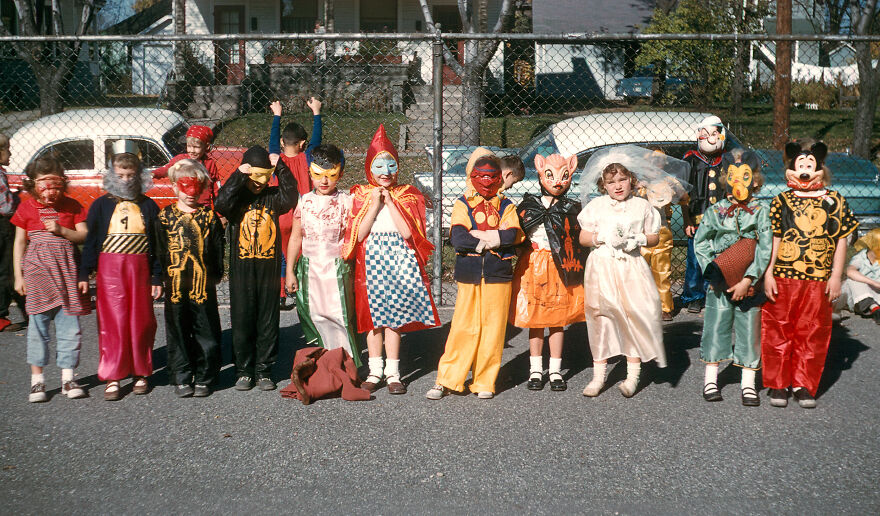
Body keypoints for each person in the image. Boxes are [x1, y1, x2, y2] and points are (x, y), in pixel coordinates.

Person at [343, 125, 439, 395]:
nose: (385, 172)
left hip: (398, 260)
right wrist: (375, 203)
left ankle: (393, 372)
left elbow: (408, 232)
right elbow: (359, 234)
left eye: (391, 165)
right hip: (371, 261)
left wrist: (390, 201)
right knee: (374, 318)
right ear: (368, 169)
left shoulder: (407, 194)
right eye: (379, 166)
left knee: (394, 316)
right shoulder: (360, 195)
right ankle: (375, 371)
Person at [762, 141, 858, 409]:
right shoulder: (781, 200)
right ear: (791, 168)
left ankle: (803, 383)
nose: (805, 172)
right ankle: (778, 384)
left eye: (810, 166)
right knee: (778, 328)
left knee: (812, 330)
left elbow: (841, 240)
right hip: (784, 275)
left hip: (818, 278)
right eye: (800, 166)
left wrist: (836, 276)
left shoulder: (834, 200)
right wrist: (768, 273)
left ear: (820, 169)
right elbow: (775, 239)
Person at [426, 152, 524, 400]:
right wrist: (492, 239)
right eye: (481, 176)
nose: (487, 182)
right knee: (463, 327)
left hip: (498, 274)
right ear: (472, 177)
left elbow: (514, 235)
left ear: (500, 177)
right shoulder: (463, 203)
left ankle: (484, 382)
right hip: (469, 274)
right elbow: (458, 237)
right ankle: (447, 379)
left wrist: (482, 236)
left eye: (492, 176)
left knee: (493, 329)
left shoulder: (507, 205)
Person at [577, 150, 666, 399]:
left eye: (622, 180)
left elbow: (654, 236)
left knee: (632, 316)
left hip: (631, 267)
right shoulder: (597, 206)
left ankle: (632, 375)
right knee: (600, 315)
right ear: (603, 184)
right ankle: (598, 376)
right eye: (611, 182)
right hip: (602, 265)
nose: (617, 186)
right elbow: (583, 237)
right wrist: (600, 237)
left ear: (632, 180)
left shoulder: (642, 206)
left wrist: (640, 239)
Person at [79, 140, 163, 401]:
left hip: (139, 269)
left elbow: (158, 245)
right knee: (112, 320)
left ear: (139, 175)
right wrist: (84, 272)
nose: (126, 180)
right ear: (112, 174)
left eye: (131, 175)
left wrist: (156, 276)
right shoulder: (101, 205)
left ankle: (140, 371)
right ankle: (113, 374)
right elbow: (91, 241)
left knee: (141, 320)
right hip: (110, 270)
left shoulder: (148, 206)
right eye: (120, 175)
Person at [215, 146, 298, 392]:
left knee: (267, 319)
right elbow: (221, 202)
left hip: (268, 269)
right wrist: (238, 176)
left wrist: (280, 167)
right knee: (242, 318)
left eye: (264, 178)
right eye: (254, 178)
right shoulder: (237, 199)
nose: (259, 184)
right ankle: (244, 370)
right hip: (242, 270)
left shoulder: (273, 197)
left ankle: (264, 369)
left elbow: (291, 195)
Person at [694, 149, 772, 406]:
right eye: (733, 176)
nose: (739, 181)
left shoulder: (761, 211)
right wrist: (715, 272)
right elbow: (701, 242)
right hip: (720, 283)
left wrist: (749, 279)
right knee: (716, 326)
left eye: (746, 176)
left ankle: (748, 383)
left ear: (755, 180)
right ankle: (710, 378)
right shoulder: (717, 210)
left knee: (749, 328)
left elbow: (764, 247)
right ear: (727, 179)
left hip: (750, 282)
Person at [11, 157, 89, 402]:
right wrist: (18, 276)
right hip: (37, 277)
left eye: (56, 186)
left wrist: (62, 231)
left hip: (66, 275)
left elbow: (83, 235)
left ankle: (68, 377)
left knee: (70, 328)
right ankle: (38, 382)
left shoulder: (72, 206)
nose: (51, 192)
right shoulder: (25, 208)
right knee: (38, 328)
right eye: (44, 186)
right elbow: (20, 243)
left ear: (63, 184)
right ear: (33, 185)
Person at [510, 153, 587, 392]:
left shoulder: (571, 208)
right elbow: (517, 233)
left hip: (560, 268)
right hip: (533, 266)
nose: (557, 182)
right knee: (536, 319)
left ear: (571, 173)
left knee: (557, 320)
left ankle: (554, 370)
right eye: (550, 176)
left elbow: (577, 240)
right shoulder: (529, 206)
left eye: (564, 176)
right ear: (541, 173)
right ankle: (535, 369)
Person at [154, 159, 224, 398]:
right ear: (175, 187)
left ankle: (205, 375)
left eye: (196, 186)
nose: (191, 193)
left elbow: (217, 249)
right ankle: (182, 375)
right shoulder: (164, 218)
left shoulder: (209, 217)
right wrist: (158, 278)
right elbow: (159, 249)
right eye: (185, 186)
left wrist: (214, 277)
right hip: (175, 285)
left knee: (207, 329)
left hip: (203, 284)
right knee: (178, 329)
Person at [285, 144, 360, 365]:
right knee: (314, 314)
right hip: (310, 268)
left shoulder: (347, 201)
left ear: (341, 174)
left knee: (340, 316)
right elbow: (296, 237)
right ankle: (322, 364)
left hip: (337, 267)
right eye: (318, 175)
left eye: (331, 175)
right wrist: (290, 271)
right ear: (310, 172)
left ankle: (346, 365)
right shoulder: (304, 201)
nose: (324, 181)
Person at [268, 98, 322, 311]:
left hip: (281, 215)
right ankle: (302, 290)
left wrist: (277, 115)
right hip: (303, 216)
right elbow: (317, 140)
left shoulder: (275, 159)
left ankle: (281, 294)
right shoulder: (307, 158)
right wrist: (316, 113)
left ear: (282, 142)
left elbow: (272, 141)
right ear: (302, 144)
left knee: (282, 255)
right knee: (301, 253)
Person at [681, 116, 727, 313]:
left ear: (721, 135)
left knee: (720, 257)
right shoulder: (691, 159)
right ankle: (693, 295)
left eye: (714, 134)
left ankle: (715, 292)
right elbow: (683, 193)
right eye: (705, 133)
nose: (709, 138)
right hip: (698, 220)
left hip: (722, 222)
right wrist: (687, 218)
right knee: (695, 259)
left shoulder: (727, 160)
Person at [153, 125, 220, 207]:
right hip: (186, 205)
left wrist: (219, 213)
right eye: (189, 146)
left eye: (196, 147)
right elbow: (166, 169)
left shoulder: (209, 163)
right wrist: (154, 173)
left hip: (203, 206)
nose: (192, 151)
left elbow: (216, 188)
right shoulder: (181, 159)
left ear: (206, 146)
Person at [0, 132, 26, 331]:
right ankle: (1, 314)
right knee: (6, 269)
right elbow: (6, 207)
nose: (10, 153)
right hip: (2, 226)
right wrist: (17, 200)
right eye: (7, 149)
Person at [835, 228, 880, 323]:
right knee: (853, 280)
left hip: (876, 295)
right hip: (857, 298)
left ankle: (875, 308)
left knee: (855, 280)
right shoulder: (861, 257)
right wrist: (873, 283)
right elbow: (850, 271)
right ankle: (874, 308)